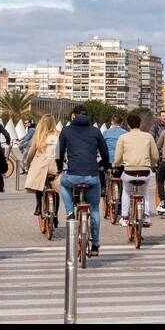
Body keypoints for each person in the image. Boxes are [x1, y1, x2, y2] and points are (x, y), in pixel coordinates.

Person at [56, 104, 110, 256]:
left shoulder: (66, 130)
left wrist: (59, 167)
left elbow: (59, 152)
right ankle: (96, 244)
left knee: (63, 184)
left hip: (72, 175)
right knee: (94, 210)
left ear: (74, 116)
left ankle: (69, 212)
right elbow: (104, 151)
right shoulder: (95, 131)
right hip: (92, 176)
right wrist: (106, 166)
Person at [112, 111, 158, 229]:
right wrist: (152, 165)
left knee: (126, 191)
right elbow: (155, 156)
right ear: (140, 124)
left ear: (128, 125)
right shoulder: (148, 136)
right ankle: (146, 216)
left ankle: (125, 217)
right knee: (144, 193)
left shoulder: (123, 137)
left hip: (129, 172)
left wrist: (115, 165)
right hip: (145, 172)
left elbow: (117, 158)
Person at [23, 114, 59, 218]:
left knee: (39, 185)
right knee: (55, 190)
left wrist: (28, 163)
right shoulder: (58, 135)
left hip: (40, 166)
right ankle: (55, 214)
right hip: (54, 166)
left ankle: (38, 205)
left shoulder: (38, 136)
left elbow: (31, 152)